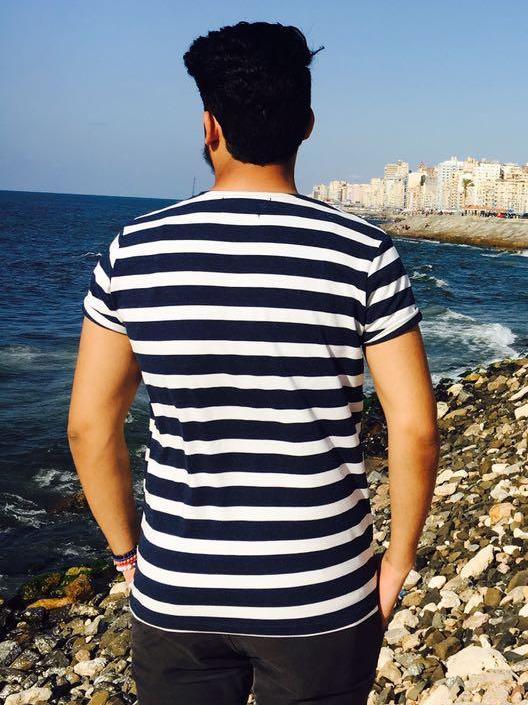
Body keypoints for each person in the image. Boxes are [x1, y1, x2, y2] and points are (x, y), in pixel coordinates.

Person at [68, 20, 440, 705]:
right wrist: (397, 563)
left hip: (178, 589)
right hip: (321, 591)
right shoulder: (364, 252)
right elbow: (414, 428)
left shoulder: (133, 250)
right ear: (307, 125)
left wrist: (128, 557)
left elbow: (90, 427)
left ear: (209, 127)